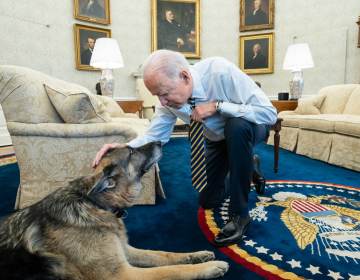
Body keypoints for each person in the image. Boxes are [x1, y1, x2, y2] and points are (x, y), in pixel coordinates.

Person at [92, 50, 277, 246]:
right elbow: (156, 137)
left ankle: (239, 214)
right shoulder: (167, 101)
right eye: (157, 96)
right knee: (208, 201)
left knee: (236, 126)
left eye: (164, 94)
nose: (162, 102)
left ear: (185, 76)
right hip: (217, 140)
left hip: (250, 128)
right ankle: (249, 165)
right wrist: (125, 147)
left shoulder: (220, 72)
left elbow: (269, 114)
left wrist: (219, 105)